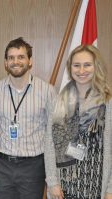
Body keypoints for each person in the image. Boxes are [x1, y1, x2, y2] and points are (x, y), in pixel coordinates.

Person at [0, 37, 56, 198]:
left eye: (21, 57)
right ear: (5, 63)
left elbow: (51, 133)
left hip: (33, 166)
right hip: (2, 165)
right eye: (11, 58)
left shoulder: (47, 91)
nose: (15, 61)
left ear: (30, 61)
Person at [44, 45, 112, 199]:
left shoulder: (108, 102)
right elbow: (49, 144)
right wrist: (53, 183)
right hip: (63, 185)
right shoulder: (58, 102)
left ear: (96, 67)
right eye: (77, 65)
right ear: (70, 68)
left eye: (87, 65)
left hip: (96, 185)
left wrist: (110, 190)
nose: (81, 71)